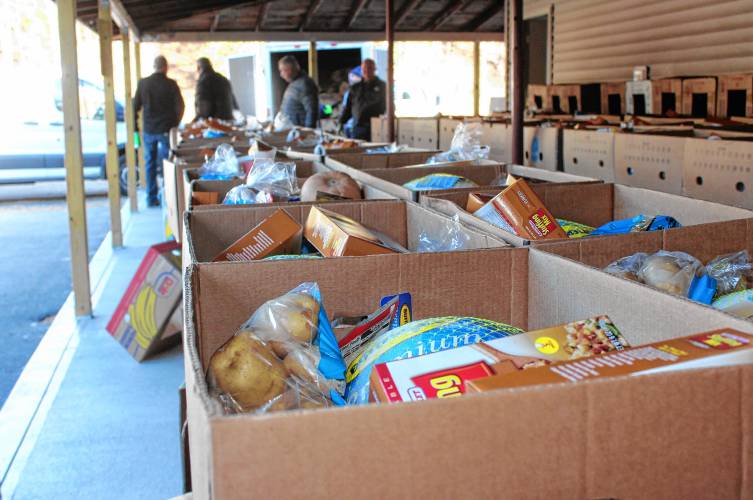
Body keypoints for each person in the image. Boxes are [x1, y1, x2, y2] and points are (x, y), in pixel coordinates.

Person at [133, 55, 184, 207]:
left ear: (154, 67)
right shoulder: (171, 84)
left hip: (149, 130)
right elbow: (180, 106)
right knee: (168, 163)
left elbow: (134, 107)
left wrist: (136, 129)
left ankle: (151, 197)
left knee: (149, 163)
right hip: (166, 130)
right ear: (165, 67)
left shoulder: (143, 84)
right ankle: (169, 196)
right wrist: (175, 123)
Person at [338, 59, 385, 140]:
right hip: (358, 128)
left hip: (376, 128)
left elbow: (389, 106)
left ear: (374, 69)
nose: (367, 70)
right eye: (364, 68)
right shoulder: (355, 88)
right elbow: (348, 108)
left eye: (369, 68)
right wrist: (341, 122)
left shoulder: (383, 86)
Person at [278, 55, 319, 128]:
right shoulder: (295, 83)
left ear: (289, 70)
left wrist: (308, 132)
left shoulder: (305, 84)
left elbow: (311, 111)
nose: (281, 75)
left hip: (299, 132)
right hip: (292, 129)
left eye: (282, 71)